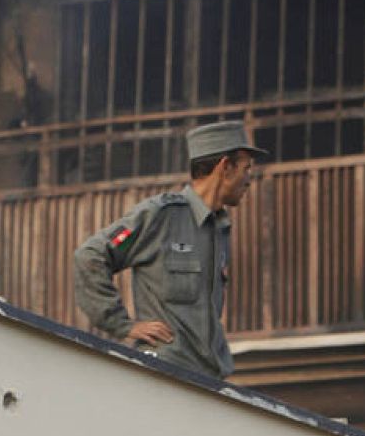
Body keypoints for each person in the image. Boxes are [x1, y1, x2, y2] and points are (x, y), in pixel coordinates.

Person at [73, 121, 266, 378]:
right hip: (165, 373)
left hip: (208, 376)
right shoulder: (160, 216)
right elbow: (90, 256)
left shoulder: (219, 228)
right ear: (225, 167)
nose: (249, 180)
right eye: (246, 168)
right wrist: (122, 325)